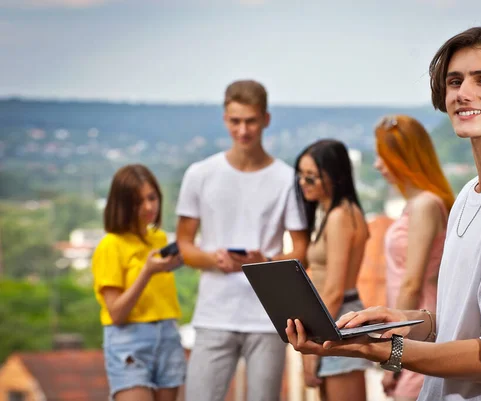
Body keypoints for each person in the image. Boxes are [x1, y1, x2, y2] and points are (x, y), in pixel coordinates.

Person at [286, 21, 481, 401]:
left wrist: (382, 350)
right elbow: (468, 324)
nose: (463, 93)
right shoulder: (469, 194)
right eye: (455, 81)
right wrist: (410, 323)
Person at [176, 79, 309, 401]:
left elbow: (301, 252)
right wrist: (215, 260)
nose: (243, 130)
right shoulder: (200, 174)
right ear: (225, 119)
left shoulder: (286, 179)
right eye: (235, 121)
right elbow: (185, 246)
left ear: (266, 119)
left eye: (250, 121)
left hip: (268, 316)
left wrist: (260, 263)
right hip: (213, 314)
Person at [373, 115, 454, 401]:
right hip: (413, 329)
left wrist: (392, 358)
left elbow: (411, 284)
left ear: (403, 157)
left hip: (418, 329)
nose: (377, 165)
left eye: (383, 157)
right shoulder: (418, 204)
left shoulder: (425, 205)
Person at [91, 164, 186, 401]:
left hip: (167, 334)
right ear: (122, 205)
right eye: (138, 202)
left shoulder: (159, 238)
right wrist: (147, 272)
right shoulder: (110, 245)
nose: (149, 207)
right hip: (129, 339)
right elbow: (116, 313)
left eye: (152, 198)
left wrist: (172, 264)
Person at [294, 139, 371, 401]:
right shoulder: (329, 213)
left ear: (334, 178)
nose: (303, 183)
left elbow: (335, 289)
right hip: (332, 318)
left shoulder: (340, 216)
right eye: (301, 176)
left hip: (337, 318)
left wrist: (313, 346)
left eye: (312, 178)